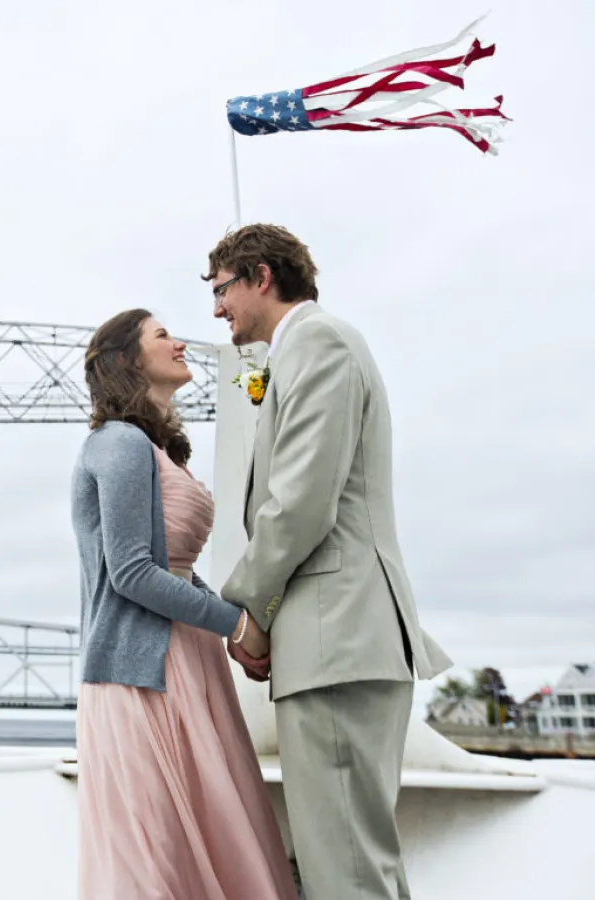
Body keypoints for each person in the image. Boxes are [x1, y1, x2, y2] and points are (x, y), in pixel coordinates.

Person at [204, 224, 454, 900]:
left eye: (221, 289)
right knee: (356, 864)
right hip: (336, 641)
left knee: (344, 872)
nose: (217, 309)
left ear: (260, 276)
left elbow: (301, 503)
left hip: (336, 639)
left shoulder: (319, 343)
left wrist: (248, 612)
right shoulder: (308, 349)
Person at [71, 308, 299, 900]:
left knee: (206, 835)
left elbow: (177, 570)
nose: (179, 343)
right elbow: (131, 573)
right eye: (162, 335)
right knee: (160, 855)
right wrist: (236, 624)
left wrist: (232, 629)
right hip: (141, 675)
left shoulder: (153, 449)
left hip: (187, 663)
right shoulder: (119, 443)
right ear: (128, 359)